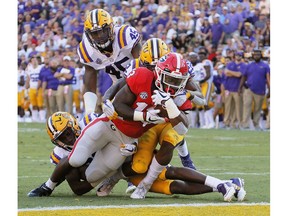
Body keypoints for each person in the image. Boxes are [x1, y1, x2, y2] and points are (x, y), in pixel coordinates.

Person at [27, 111, 246, 202]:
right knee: (171, 188)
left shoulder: (91, 124)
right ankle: (228, 184)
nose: (66, 139)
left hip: (130, 159)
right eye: (61, 137)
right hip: (120, 172)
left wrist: (129, 146)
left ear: (75, 126)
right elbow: (78, 187)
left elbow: (121, 128)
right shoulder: (63, 153)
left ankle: (221, 184)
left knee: (166, 172)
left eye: (67, 132)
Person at [102, 38, 197, 194]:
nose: (154, 71)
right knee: (138, 159)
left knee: (174, 133)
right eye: (149, 66)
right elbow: (119, 84)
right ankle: (125, 176)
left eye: (157, 65)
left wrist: (185, 96)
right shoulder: (136, 68)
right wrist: (105, 100)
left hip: (168, 114)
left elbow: (196, 91)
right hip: (147, 114)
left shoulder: (178, 65)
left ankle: (185, 158)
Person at [77, 8, 142, 115]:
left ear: (111, 27)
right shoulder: (86, 50)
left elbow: (143, 66)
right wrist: (89, 112)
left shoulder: (124, 34)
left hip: (139, 81)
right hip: (118, 89)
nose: (100, 36)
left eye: (103, 31)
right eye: (95, 33)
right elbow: (89, 86)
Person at [238, 49, 270, 130]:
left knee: (257, 108)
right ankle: (245, 124)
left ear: (261, 56)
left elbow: (268, 78)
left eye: (258, 54)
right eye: (255, 54)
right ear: (253, 56)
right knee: (247, 106)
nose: (256, 56)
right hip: (249, 89)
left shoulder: (265, 66)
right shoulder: (249, 65)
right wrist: (240, 87)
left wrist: (270, 89)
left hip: (260, 90)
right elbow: (244, 77)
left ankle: (256, 124)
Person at [223, 51, 246, 129]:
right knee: (228, 107)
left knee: (238, 107)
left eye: (239, 55)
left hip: (237, 89)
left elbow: (240, 74)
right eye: (236, 55)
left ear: (241, 56)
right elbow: (226, 73)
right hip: (228, 89)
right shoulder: (230, 64)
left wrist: (230, 72)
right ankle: (226, 123)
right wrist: (235, 73)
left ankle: (238, 123)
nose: (238, 56)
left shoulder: (243, 65)